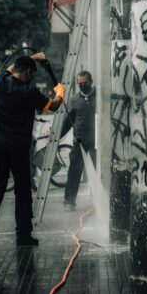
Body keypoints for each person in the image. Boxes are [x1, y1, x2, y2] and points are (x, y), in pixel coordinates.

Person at [0, 52, 65, 249]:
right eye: (31, 73)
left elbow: (9, 69)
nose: (32, 77)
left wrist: (31, 57)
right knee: (23, 192)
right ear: (25, 72)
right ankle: (23, 237)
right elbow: (54, 106)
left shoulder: (0, 82)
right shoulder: (29, 93)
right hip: (19, 150)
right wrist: (60, 91)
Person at [61, 70, 96, 211]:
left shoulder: (99, 96)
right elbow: (68, 121)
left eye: (85, 83)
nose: (82, 86)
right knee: (74, 172)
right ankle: (69, 202)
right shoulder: (74, 99)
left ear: (91, 81)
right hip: (79, 142)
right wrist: (57, 135)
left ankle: (98, 202)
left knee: (98, 172)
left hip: (96, 142)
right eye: (79, 84)